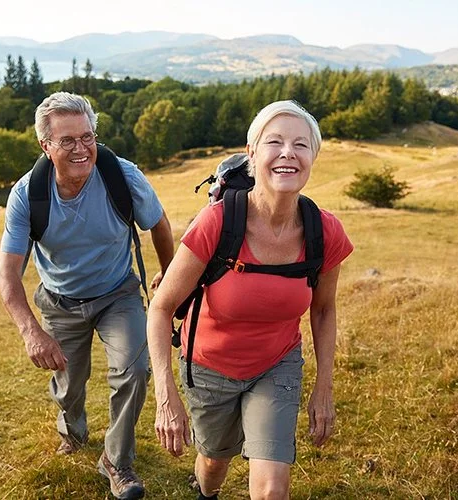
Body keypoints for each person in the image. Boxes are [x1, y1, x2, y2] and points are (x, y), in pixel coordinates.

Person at [146, 100, 353, 499]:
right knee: (213, 463)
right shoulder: (218, 222)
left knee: (273, 486)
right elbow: (161, 308)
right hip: (209, 366)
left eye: (301, 145)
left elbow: (323, 309)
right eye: (274, 142)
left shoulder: (324, 231)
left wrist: (324, 387)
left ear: (313, 157)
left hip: (277, 364)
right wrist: (165, 394)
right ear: (252, 154)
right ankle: (207, 492)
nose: (288, 153)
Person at [0, 92, 174, 500]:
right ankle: (72, 428)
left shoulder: (122, 175)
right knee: (69, 385)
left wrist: (169, 278)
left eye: (87, 136)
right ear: (46, 146)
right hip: (60, 301)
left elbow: (159, 224)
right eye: (68, 141)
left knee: (134, 371)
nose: (81, 148)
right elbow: (7, 274)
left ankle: (117, 460)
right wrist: (30, 331)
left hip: (118, 293)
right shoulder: (28, 194)